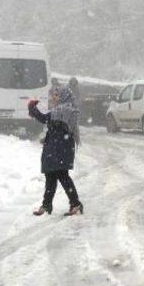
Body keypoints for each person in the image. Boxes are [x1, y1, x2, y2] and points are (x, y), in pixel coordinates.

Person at [29, 85, 84, 216]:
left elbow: (45, 119)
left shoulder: (66, 110)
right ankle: (47, 205)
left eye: (57, 95)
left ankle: (75, 204)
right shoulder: (60, 110)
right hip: (55, 148)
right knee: (51, 176)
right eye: (54, 95)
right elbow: (49, 121)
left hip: (61, 148)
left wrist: (32, 109)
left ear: (64, 96)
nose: (54, 97)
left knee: (62, 176)